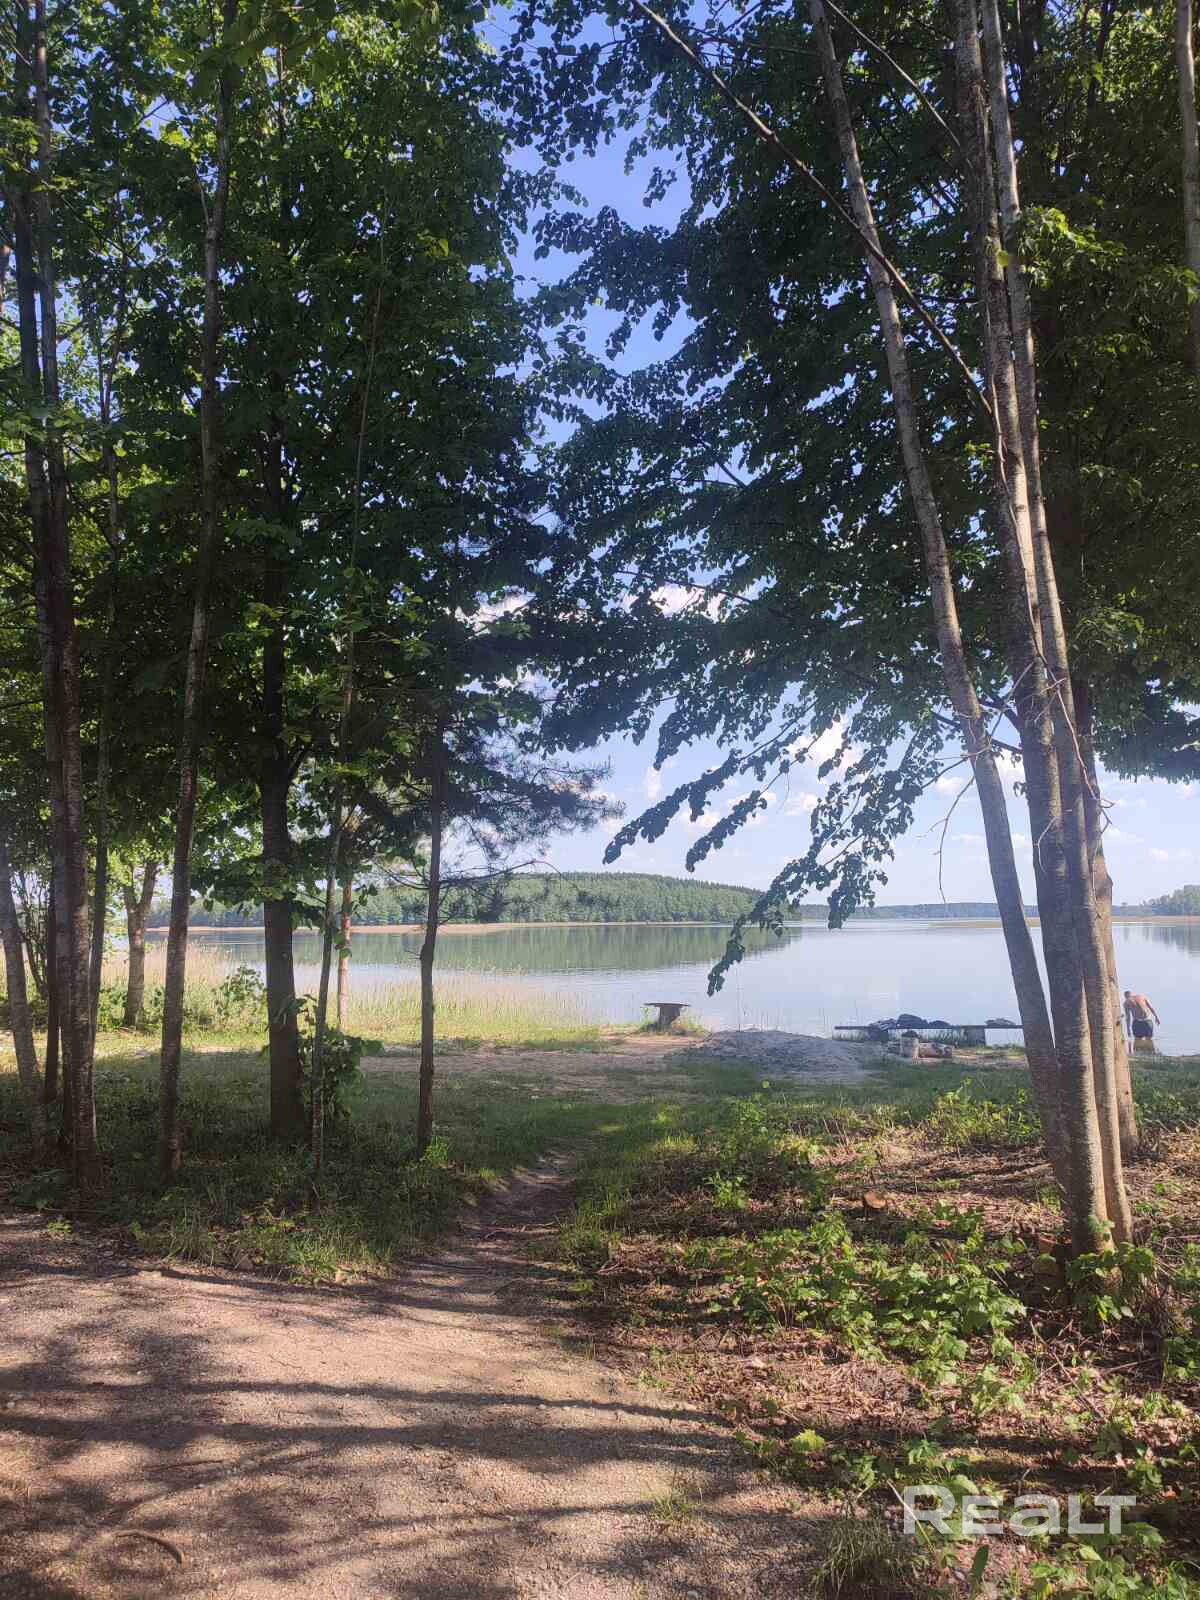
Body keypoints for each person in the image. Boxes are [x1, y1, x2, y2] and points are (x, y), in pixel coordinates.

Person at [1123, 989, 1162, 1055]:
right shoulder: (1142, 997)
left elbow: (1128, 1017)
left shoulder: (1126, 1002)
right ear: (1131, 994)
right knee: (1149, 1039)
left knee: (1137, 1039)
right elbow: (1151, 1007)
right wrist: (1156, 1017)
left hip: (1139, 1022)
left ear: (1125, 996)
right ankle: (1148, 1053)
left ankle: (1138, 1053)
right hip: (1147, 1021)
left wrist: (1128, 1029)